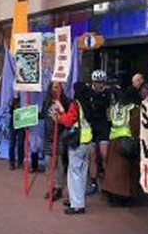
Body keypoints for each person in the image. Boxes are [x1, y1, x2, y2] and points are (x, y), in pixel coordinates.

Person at [56, 82, 93, 215]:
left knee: (74, 173)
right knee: (82, 173)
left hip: (77, 141)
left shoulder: (75, 104)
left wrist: (59, 116)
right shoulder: (88, 103)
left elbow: (69, 121)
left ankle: (77, 204)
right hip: (88, 140)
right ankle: (77, 199)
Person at [101, 86, 141, 206]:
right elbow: (136, 126)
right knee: (125, 174)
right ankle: (123, 197)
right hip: (127, 142)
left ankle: (111, 194)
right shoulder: (133, 108)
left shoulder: (116, 107)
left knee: (112, 172)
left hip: (113, 141)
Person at [42, 81, 70, 202]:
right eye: (54, 87)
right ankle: (51, 186)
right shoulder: (47, 101)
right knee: (48, 163)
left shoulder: (65, 101)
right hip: (48, 136)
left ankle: (59, 188)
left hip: (59, 135)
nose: (56, 89)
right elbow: (43, 115)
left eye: (58, 87)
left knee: (58, 163)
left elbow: (68, 117)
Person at [87, 70, 111, 195]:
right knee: (92, 156)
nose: (99, 85)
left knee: (104, 154)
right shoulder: (88, 92)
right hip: (91, 125)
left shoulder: (108, 93)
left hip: (103, 125)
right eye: (97, 82)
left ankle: (108, 182)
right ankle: (93, 183)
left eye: (101, 82)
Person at [8, 95, 25, 170]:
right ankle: (12, 162)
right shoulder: (13, 99)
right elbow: (10, 111)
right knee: (12, 143)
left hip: (21, 123)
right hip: (13, 123)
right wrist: (11, 105)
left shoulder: (25, 100)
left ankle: (20, 162)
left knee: (20, 143)